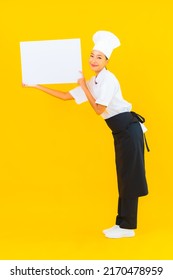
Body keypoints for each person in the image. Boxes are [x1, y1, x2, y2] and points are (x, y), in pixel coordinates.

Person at [23, 31, 149, 238]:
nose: (93, 60)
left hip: (129, 129)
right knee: (124, 176)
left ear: (107, 61)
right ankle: (123, 224)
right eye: (92, 55)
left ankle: (127, 227)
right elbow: (65, 96)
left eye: (99, 57)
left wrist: (83, 86)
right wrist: (35, 85)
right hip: (120, 131)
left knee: (129, 177)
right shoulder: (94, 81)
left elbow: (99, 109)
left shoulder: (108, 80)